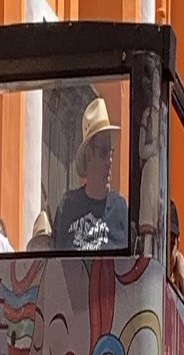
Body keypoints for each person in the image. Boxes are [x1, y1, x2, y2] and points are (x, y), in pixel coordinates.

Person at [53, 97, 130, 252]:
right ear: (88, 155)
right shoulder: (67, 207)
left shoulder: (120, 209)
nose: (109, 161)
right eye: (103, 152)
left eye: (110, 152)